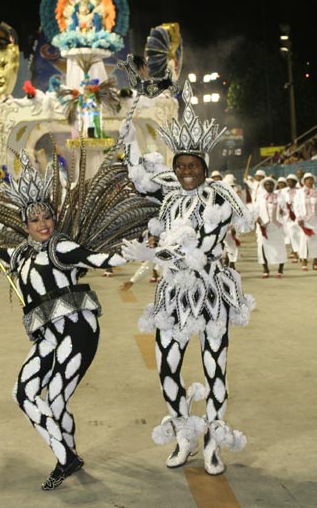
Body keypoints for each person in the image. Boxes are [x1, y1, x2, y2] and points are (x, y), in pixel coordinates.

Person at [0, 149, 157, 491]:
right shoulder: (21, 253)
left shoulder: (63, 248)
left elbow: (97, 257)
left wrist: (135, 253)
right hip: (46, 334)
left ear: (54, 219)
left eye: (47, 217)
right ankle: (68, 455)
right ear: (25, 225)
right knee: (23, 392)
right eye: (35, 220)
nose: (43, 224)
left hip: (77, 328)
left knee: (56, 397)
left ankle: (66, 459)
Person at [121, 79, 254, 476]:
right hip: (173, 297)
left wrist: (152, 253)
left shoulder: (219, 199)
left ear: (204, 167)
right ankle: (183, 433)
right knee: (167, 368)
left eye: (192, 166)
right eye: (180, 166)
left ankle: (213, 441)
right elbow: (138, 176)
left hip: (209, 292)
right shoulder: (172, 192)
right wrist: (128, 129)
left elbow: (196, 249)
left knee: (216, 369)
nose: (185, 172)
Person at [254, 177, 287, 278]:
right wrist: (257, 218)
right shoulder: (260, 197)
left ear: (274, 186)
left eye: (271, 184)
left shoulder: (280, 197)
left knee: (279, 246)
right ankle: (265, 268)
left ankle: (280, 268)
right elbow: (255, 210)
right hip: (264, 226)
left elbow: (286, 210)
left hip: (277, 226)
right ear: (264, 186)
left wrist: (283, 212)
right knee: (262, 246)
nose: (269, 186)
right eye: (267, 184)